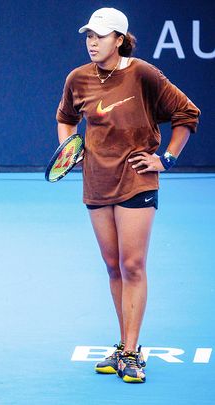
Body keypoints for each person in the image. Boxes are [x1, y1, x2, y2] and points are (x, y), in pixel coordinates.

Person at [56, 8, 200, 383]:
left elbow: (187, 113)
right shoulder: (78, 79)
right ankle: (123, 345)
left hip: (137, 178)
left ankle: (133, 352)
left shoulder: (143, 74)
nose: (92, 42)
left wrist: (165, 159)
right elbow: (66, 117)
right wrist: (69, 149)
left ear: (119, 39)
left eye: (101, 36)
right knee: (113, 265)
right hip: (96, 181)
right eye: (89, 35)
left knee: (133, 265)